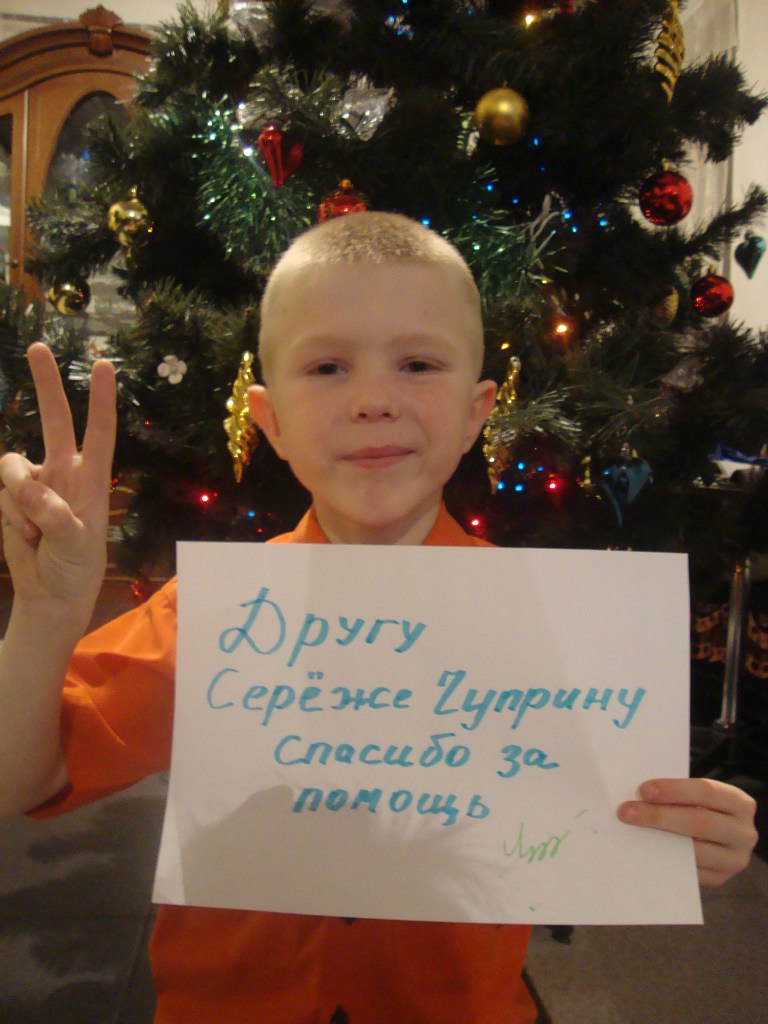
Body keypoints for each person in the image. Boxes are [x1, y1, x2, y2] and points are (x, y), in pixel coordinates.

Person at [0, 212, 758, 1024]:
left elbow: (602, 815)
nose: (372, 401)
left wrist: (690, 831)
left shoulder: (554, 628)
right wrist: (45, 615)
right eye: (327, 366)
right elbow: (21, 780)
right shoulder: (213, 617)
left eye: (418, 364)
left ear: (476, 413)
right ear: (270, 421)